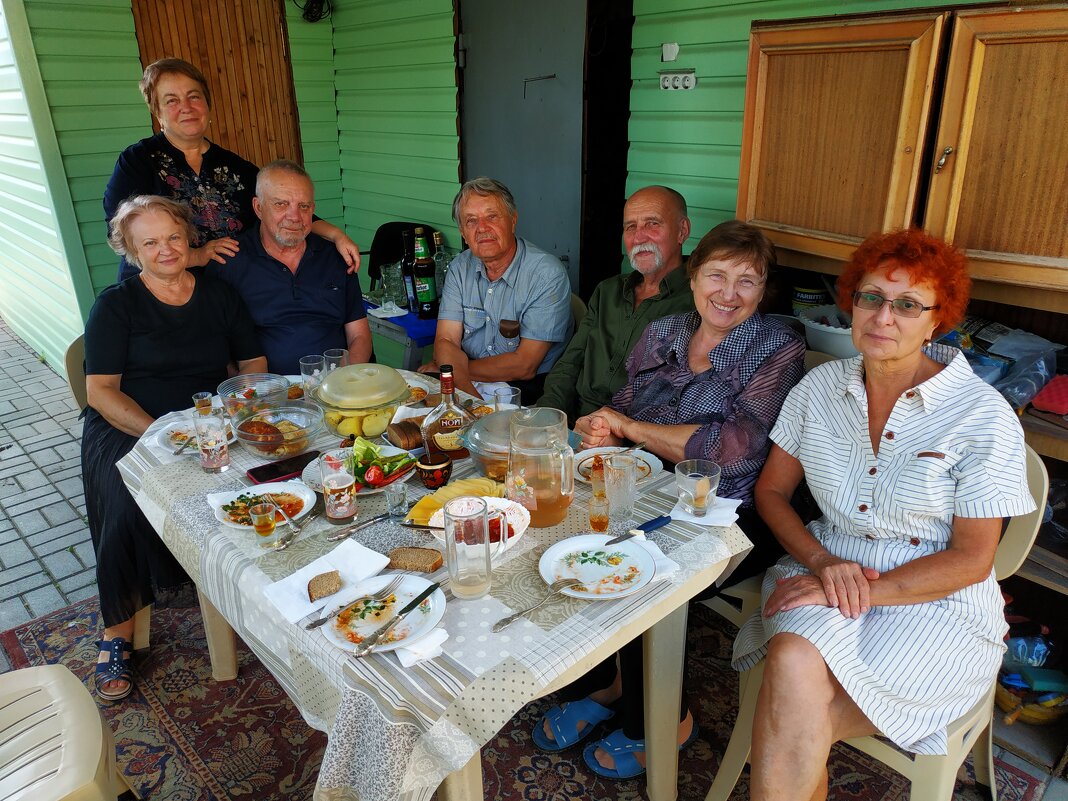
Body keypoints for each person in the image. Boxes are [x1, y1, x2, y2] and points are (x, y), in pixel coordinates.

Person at [733, 228, 1035, 801]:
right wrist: (823, 565)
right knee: (796, 663)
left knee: (794, 705)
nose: (882, 317)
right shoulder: (819, 389)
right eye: (870, 297)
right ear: (852, 301)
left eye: (907, 305)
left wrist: (852, 592)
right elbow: (772, 492)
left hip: (936, 600)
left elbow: (973, 560)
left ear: (937, 318)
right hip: (827, 565)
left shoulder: (980, 414)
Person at [535, 220, 806, 780]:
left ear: (764, 288)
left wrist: (630, 427)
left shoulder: (779, 344)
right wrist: (604, 428)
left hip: (733, 510)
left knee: (642, 576)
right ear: (694, 274)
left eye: (747, 281)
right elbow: (624, 402)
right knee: (565, 539)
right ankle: (607, 683)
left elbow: (735, 447)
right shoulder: (664, 331)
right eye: (717, 276)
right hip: (646, 486)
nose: (728, 294)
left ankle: (663, 720)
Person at [83, 195, 266, 702]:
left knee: (264, 480)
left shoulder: (219, 295)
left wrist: (237, 411)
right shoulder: (116, 306)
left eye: (173, 237)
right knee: (125, 505)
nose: (165, 250)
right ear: (131, 250)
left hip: (209, 420)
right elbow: (101, 390)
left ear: (188, 239)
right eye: (150, 242)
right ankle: (116, 632)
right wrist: (158, 432)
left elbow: (252, 364)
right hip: (128, 425)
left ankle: (248, 589)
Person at [104, 58, 360, 282]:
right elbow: (121, 233)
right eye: (171, 100)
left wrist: (337, 236)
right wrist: (196, 255)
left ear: (207, 105)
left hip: (229, 289)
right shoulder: (138, 160)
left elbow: (281, 211)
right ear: (157, 112)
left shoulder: (235, 167)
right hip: (162, 291)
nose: (186, 107)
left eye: (194, 96)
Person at [536, 185, 696, 422]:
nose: (639, 237)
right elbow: (570, 363)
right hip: (575, 421)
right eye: (630, 227)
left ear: (682, 231)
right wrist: (547, 415)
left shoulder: (697, 302)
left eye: (652, 224)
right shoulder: (608, 291)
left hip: (635, 440)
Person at [207, 160, 373, 374]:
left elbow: (359, 336)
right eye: (281, 204)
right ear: (258, 208)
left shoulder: (335, 257)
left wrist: (345, 380)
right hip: (266, 393)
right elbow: (216, 346)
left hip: (335, 385)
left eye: (303, 206)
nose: (295, 217)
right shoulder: (228, 262)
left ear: (312, 209)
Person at [421, 177, 573, 399]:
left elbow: (525, 365)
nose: (482, 228)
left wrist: (451, 370)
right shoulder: (460, 267)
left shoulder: (546, 274)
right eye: (471, 221)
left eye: (492, 216)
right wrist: (469, 395)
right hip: (467, 379)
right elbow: (446, 341)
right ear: (463, 232)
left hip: (527, 387)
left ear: (513, 220)